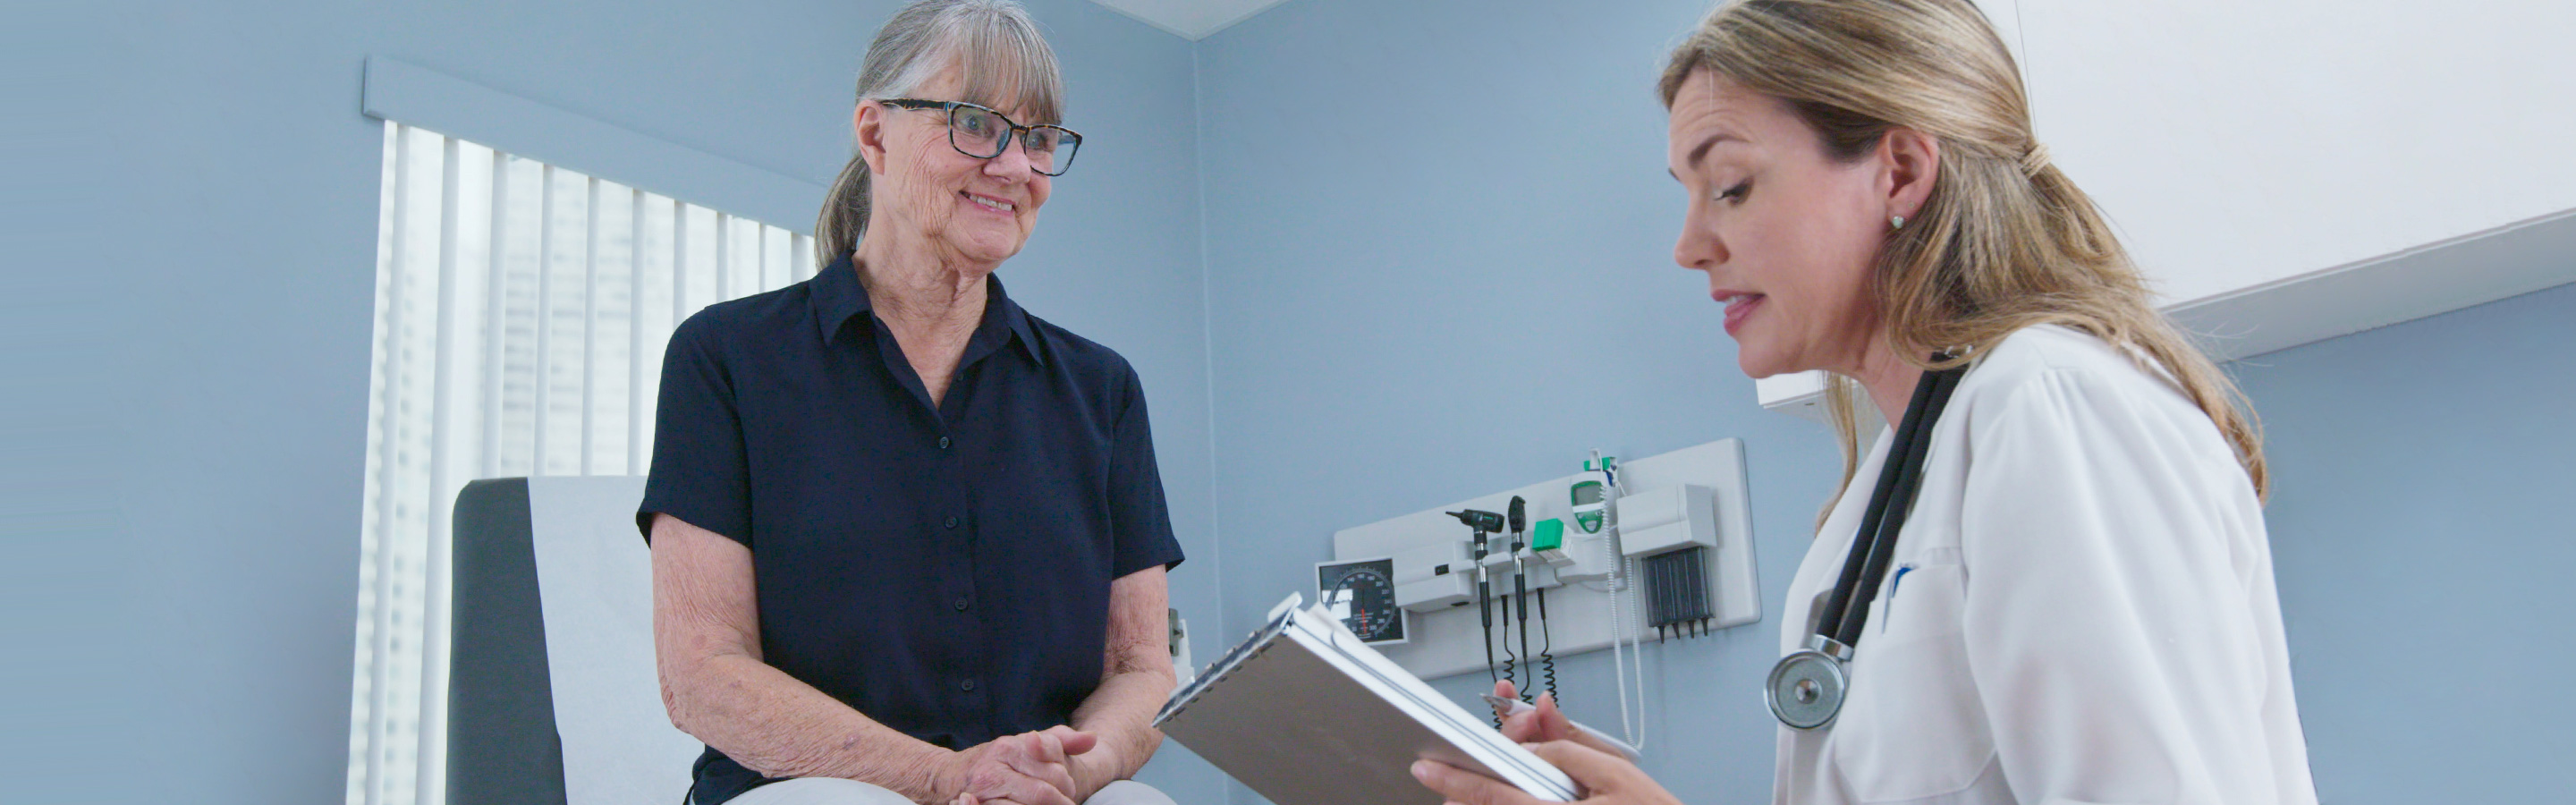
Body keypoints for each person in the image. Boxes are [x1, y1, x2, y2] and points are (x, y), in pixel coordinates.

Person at [1413, 1, 2319, 803]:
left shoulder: (2050, 406)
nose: (1689, 246)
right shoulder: (1873, 507)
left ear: (1898, 172)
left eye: (1729, 185)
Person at [638, 2, 1183, 804]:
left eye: (1036, 139)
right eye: (975, 122)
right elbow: (702, 675)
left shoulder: (1102, 392)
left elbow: (1141, 670)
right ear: (873, 134)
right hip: (809, 788)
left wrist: (1072, 770)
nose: (1013, 166)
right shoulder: (725, 358)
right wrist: (947, 777)